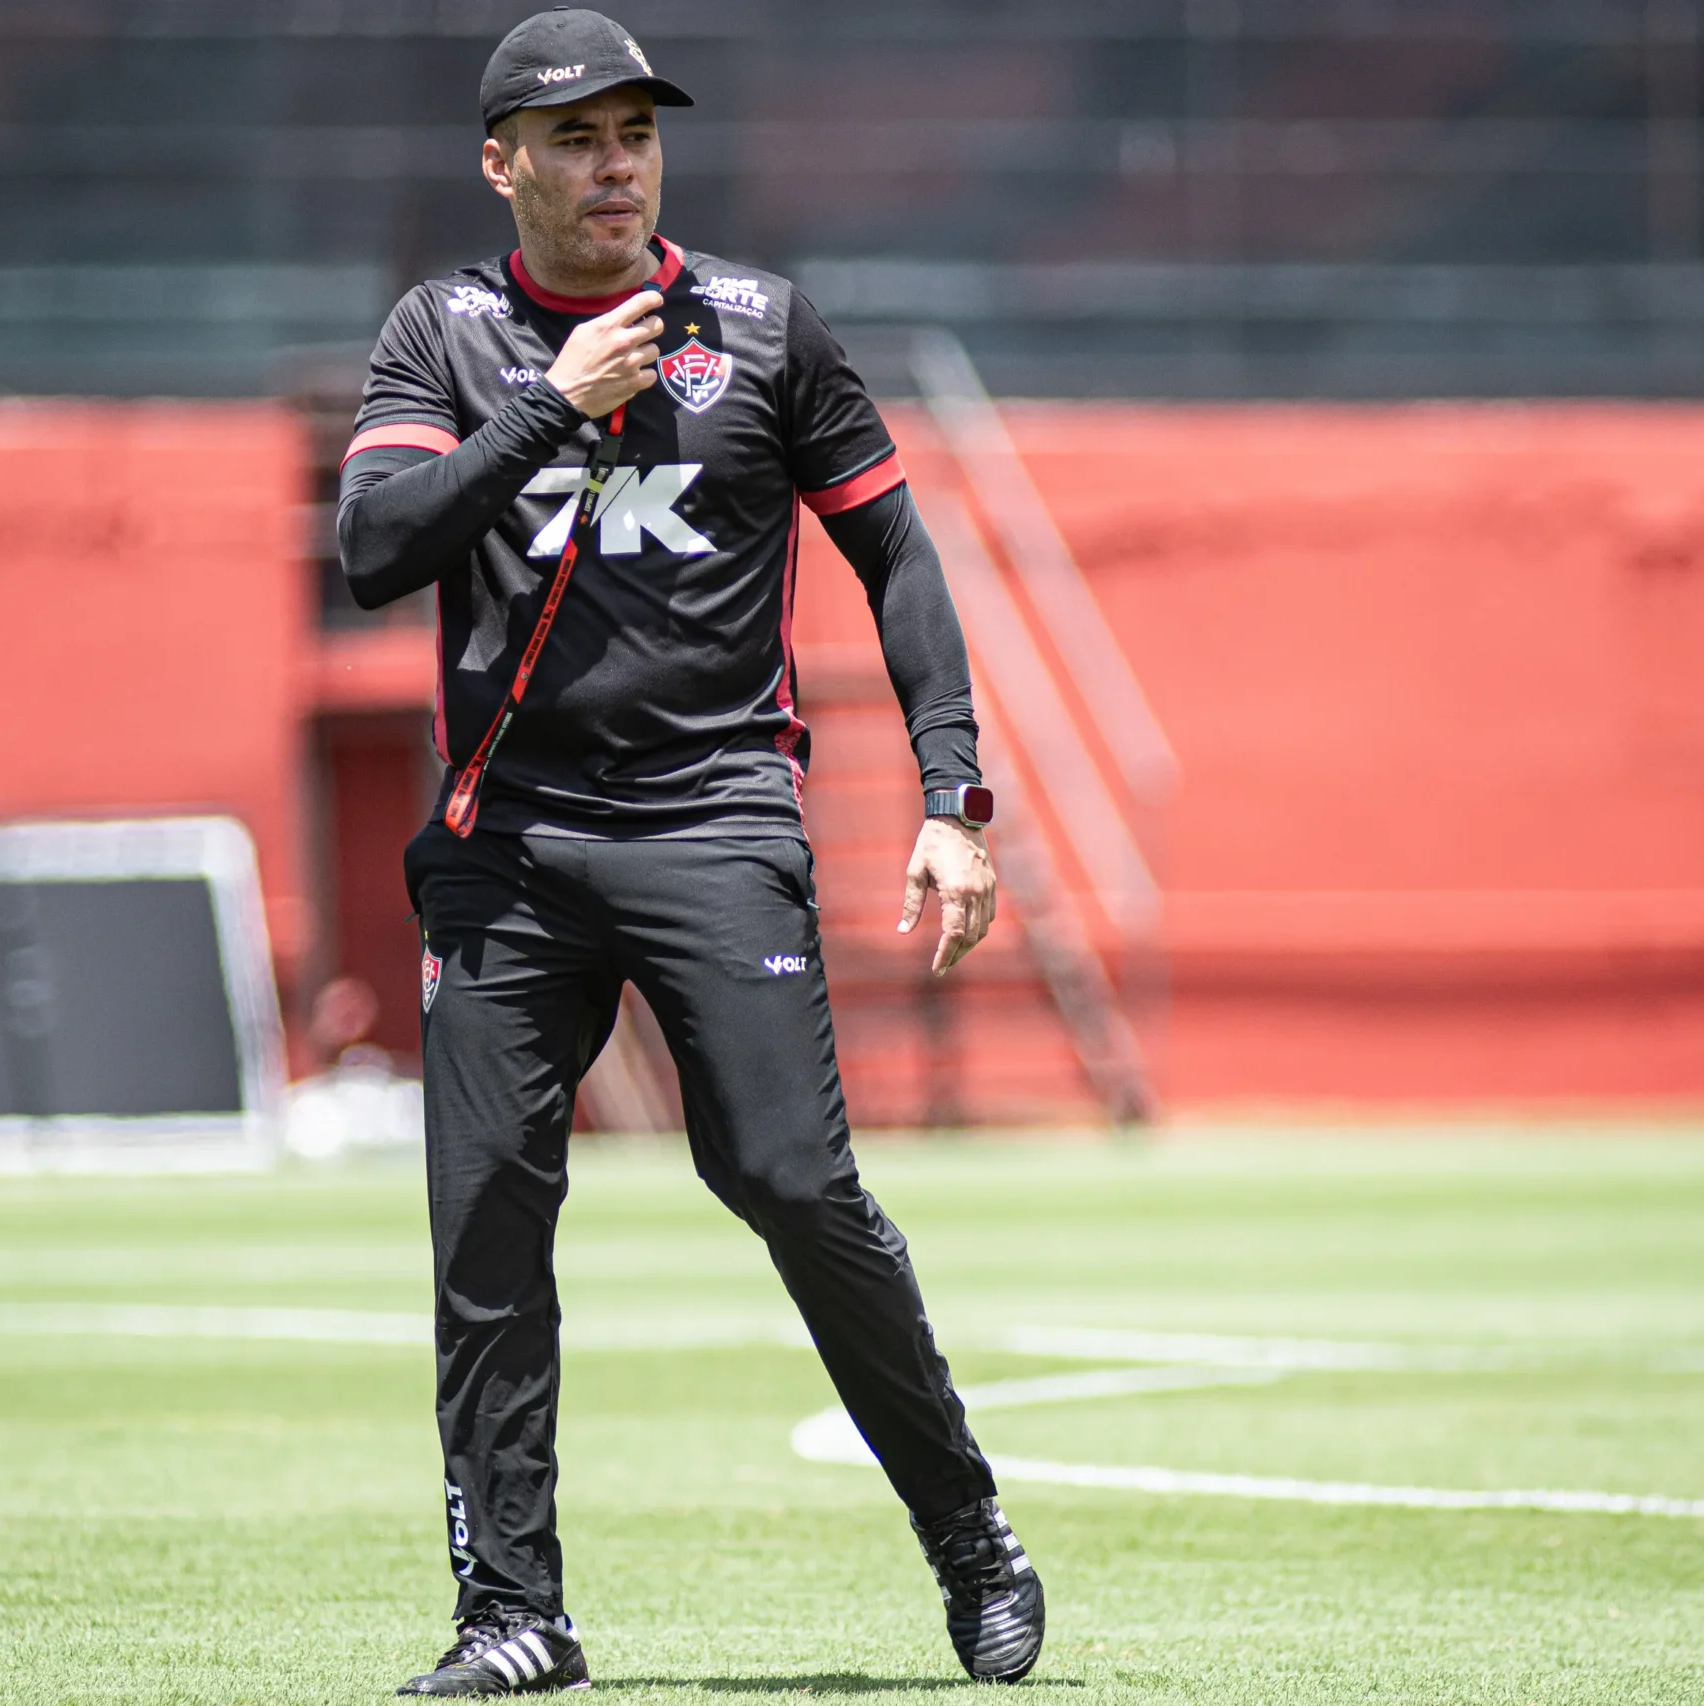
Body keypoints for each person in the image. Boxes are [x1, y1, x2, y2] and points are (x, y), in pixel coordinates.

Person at [337, 9, 1042, 1694]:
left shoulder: (767, 330)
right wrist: (548, 415)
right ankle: (515, 1615)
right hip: (506, 845)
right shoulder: (443, 334)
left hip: (719, 819)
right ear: (501, 163)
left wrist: (953, 802)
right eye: (573, 139)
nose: (613, 166)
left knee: (791, 1180)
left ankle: (971, 1534)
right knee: (487, 1222)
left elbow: (904, 565)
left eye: (635, 134)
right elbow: (373, 544)